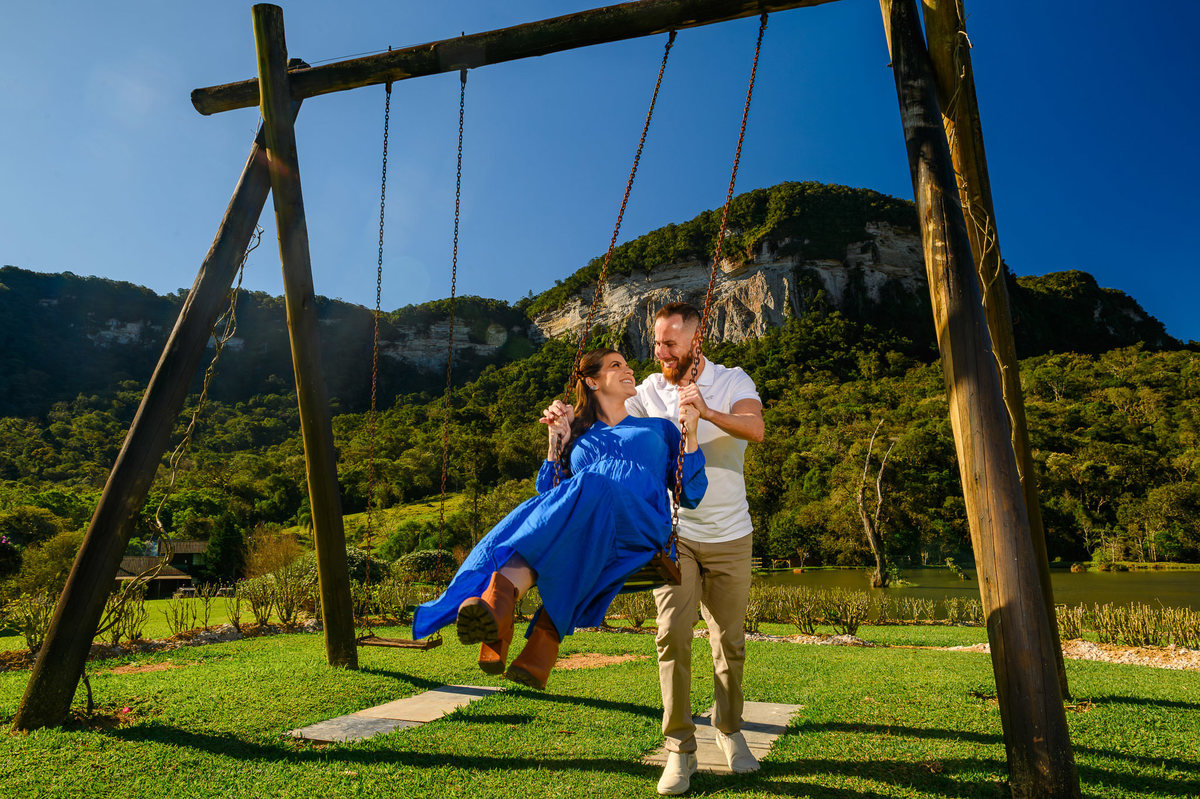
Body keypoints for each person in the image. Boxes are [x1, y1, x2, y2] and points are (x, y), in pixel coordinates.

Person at [411, 348, 707, 691]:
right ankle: (535, 640)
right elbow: (549, 496)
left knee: (588, 486)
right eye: (616, 366)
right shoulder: (579, 439)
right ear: (593, 382)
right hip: (589, 531)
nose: (629, 371)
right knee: (563, 515)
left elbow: (692, 494)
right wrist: (556, 442)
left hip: (641, 524)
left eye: (627, 365)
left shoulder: (659, 429)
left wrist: (692, 433)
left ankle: (502, 601)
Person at [626, 301, 764, 796]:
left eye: (669, 343)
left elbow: (756, 429)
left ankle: (729, 731)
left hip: (731, 535)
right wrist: (570, 420)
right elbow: (613, 427)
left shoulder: (732, 380)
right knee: (672, 637)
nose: (659, 352)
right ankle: (680, 749)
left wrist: (705, 411)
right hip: (677, 534)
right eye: (657, 342)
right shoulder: (648, 390)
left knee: (729, 643)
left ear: (696, 340)